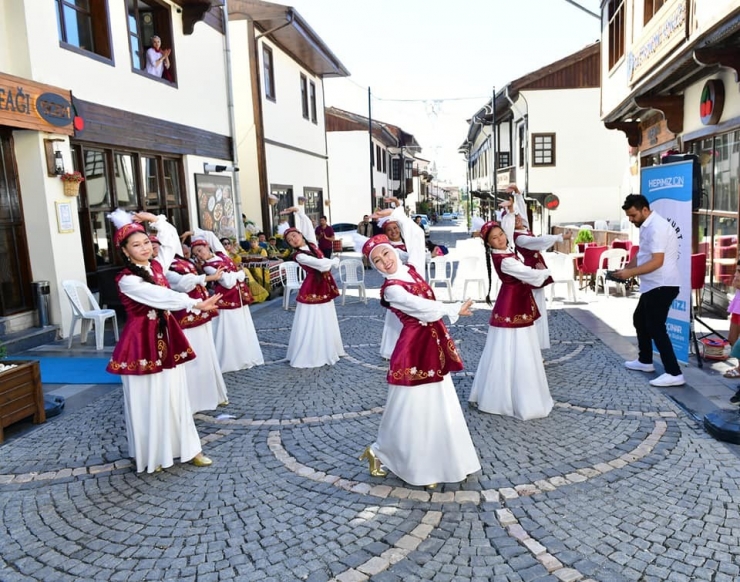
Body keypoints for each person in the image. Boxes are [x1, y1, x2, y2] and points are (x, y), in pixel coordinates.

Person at [359, 234, 481, 487]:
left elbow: (414, 234)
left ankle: (438, 461)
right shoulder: (391, 288)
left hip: (432, 342)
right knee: (410, 408)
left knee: (439, 404)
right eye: (378, 260)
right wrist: (452, 308)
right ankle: (399, 458)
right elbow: (420, 307)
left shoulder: (411, 270)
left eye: (386, 253)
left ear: (394, 251)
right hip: (414, 349)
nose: (385, 261)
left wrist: (396, 214)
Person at [106, 209, 219, 473]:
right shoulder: (127, 280)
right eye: (136, 245)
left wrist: (154, 220)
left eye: (146, 241)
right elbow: (159, 297)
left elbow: (170, 240)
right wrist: (194, 302)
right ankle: (154, 455)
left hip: (166, 337)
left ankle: (189, 448)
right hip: (140, 343)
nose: (144, 247)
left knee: (176, 393)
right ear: (125, 251)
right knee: (149, 397)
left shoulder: (157, 265)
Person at [468, 221, 554, 420]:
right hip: (512, 305)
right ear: (488, 243)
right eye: (494, 238)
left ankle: (504, 393)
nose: (500, 239)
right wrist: (547, 272)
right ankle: (513, 397)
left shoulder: (506, 253)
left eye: (500, 234)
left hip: (514, 302)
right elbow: (529, 274)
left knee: (510, 347)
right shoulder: (505, 260)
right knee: (516, 347)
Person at [614, 194, 683, 387]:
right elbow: (642, 254)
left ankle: (674, 372)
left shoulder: (657, 227)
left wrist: (630, 273)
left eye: (633, 215)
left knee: (656, 328)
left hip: (662, 285)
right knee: (640, 320)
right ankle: (645, 361)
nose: (631, 219)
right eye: (628, 216)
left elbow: (657, 261)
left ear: (645, 209)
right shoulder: (646, 226)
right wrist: (626, 269)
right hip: (653, 285)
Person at [166, 242, 230, 413]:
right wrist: (207, 278)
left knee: (206, 351)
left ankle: (209, 393)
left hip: (199, 310)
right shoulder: (163, 267)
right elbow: (182, 284)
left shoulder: (180, 260)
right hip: (185, 313)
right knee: (192, 353)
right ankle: (194, 399)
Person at [191, 228, 265, 373]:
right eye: (197, 254)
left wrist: (193, 232)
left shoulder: (220, 254)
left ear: (207, 246)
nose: (200, 254)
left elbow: (211, 235)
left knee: (242, 325)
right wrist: (239, 273)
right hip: (226, 298)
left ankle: (246, 355)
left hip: (238, 295)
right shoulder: (208, 267)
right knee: (230, 328)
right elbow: (227, 282)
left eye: (201, 250)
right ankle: (231, 359)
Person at [281, 205, 345, 367]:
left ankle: (329, 347)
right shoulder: (299, 256)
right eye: (290, 240)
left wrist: (299, 212)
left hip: (322, 284)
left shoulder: (310, 244)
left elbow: (308, 226)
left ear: (300, 235)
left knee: (326, 316)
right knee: (312, 318)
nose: (293, 239)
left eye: (294, 235)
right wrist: (334, 262)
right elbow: (322, 265)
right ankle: (312, 352)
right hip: (312, 286)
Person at [506, 184, 566, 350]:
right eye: (514, 218)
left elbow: (523, 212)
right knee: (535, 308)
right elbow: (536, 242)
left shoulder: (524, 229)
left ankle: (536, 345)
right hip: (530, 272)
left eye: (517, 217)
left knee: (539, 307)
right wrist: (558, 237)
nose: (518, 219)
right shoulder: (519, 238)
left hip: (536, 270)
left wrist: (518, 194)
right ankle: (533, 346)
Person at [374, 199, 426, 360]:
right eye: (390, 229)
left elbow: (416, 237)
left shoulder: (407, 243)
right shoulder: (386, 249)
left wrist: (397, 207)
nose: (394, 231)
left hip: (412, 283)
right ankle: (392, 347)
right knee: (397, 316)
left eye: (396, 228)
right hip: (397, 285)